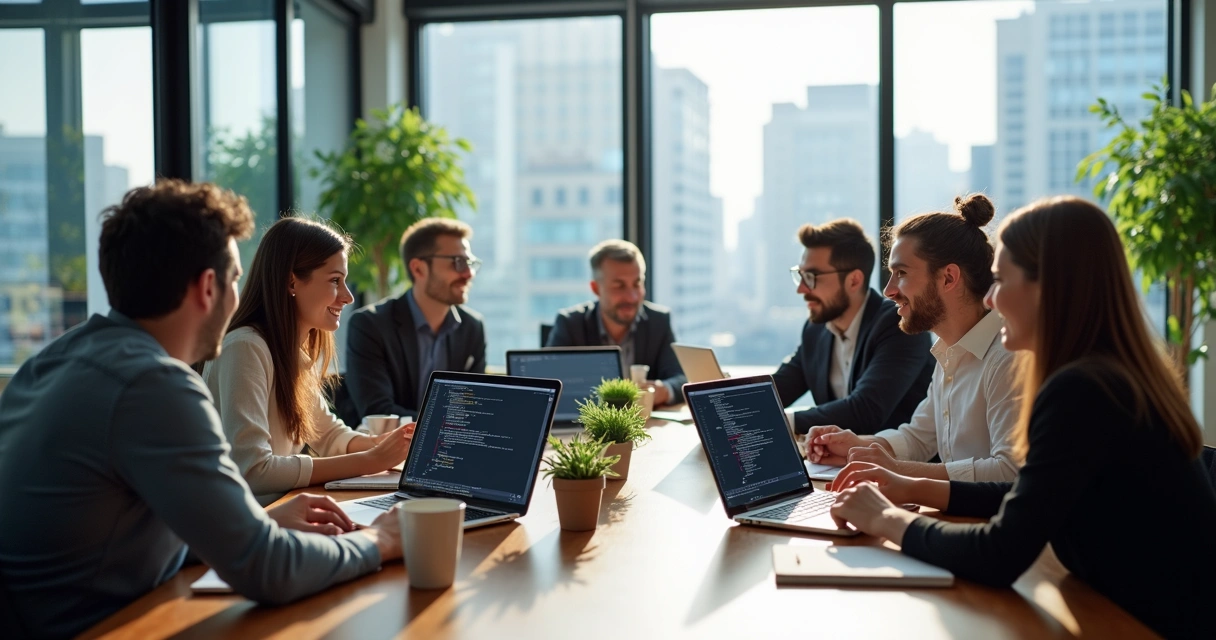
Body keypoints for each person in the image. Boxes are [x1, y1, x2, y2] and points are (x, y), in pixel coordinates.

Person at [0, 181, 403, 638]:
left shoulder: (52, 361)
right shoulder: (153, 384)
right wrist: (381, 540)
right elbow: (265, 568)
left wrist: (260, 522)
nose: (240, 292)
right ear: (208, 287)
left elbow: (116, 540)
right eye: (234, 277)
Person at [827, 196, 1216, 640]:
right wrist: (910, 486)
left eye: (1000, 280)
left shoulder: (1083, 390)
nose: (990, 298)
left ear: (1048, 288)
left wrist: (886, 518)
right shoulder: (1107, 374)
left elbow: (1000, 553)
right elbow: (1025, 492)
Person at [806, 195, 1021, 482]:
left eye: (901, 273)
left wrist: (896, 471)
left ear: (948, 278)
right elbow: (918, 438)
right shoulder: (948, 352)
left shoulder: (1007, 356)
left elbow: (1008, 472)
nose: (888, 290)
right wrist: (858, 446)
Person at [201, 217, 413, 506]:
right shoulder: (245, 347)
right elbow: (252, 469)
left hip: (277, 512)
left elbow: (328, 435)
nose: (348, 297)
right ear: (291, 281)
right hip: (245, 527)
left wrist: (391, 446)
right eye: (335, 281)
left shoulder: (292, 352)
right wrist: (370, 461)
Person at [774, 219, 933, 435]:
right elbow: (776, 391)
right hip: (840, 463)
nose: (801, 289)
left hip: (902, 466)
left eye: (811, 277)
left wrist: (778, 421)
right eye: (800, 276)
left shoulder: (899, 324)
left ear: (854, 280)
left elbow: (865, 411)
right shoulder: (815, 330)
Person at [344, 217, 486, 422]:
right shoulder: (369, 325)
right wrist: (448, 427)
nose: (468, 273)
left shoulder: (473, 327)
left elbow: (473, 409)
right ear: (418, 268)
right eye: (458, 262)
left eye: (470, 263)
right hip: (387, 451)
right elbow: (378, 413)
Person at [546, 239, 686, 405]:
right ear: (596, 288)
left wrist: (662, 390)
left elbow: (680, 378)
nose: (632, 297)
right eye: (619, 286)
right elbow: (548, 385)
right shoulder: (570, 324)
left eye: (637, 284)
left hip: (645, 426)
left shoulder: (659, 321)